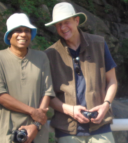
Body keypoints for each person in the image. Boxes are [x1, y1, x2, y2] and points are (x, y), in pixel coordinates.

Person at [44, 2, 118, 142]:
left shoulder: (99, 44)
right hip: (67, 129)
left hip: (99, 125)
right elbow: (47, 94)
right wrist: (68, 109)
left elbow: (112, 80)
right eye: (59, 24)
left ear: (76, 20)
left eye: (67, 22)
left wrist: (106, 105)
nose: (63, 27)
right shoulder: (50, 54)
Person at [0, 13, 54, 143]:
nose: (23, 34)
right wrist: (33, 112)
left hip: (37, 135)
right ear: (9, 35)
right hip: (8, 134)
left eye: (27, 31)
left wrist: (36, 125)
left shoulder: (41, 58)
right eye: (18, 30)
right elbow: (0, 95)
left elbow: (47, 92)